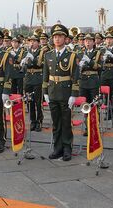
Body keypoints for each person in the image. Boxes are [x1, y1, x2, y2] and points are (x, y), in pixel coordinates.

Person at [43, 24, 79, 161]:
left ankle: (67, 148)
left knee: (65, 122)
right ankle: (57, 148)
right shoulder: (48, 55)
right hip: (52, 92)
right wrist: (45, 92)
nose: (57, 39)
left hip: (65, 92)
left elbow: (76, 77)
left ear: (65, 38)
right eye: (55, 37)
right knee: (56, 123)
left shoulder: (71, 56)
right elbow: (45, 75)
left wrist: (73, 95)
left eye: (60, 36)